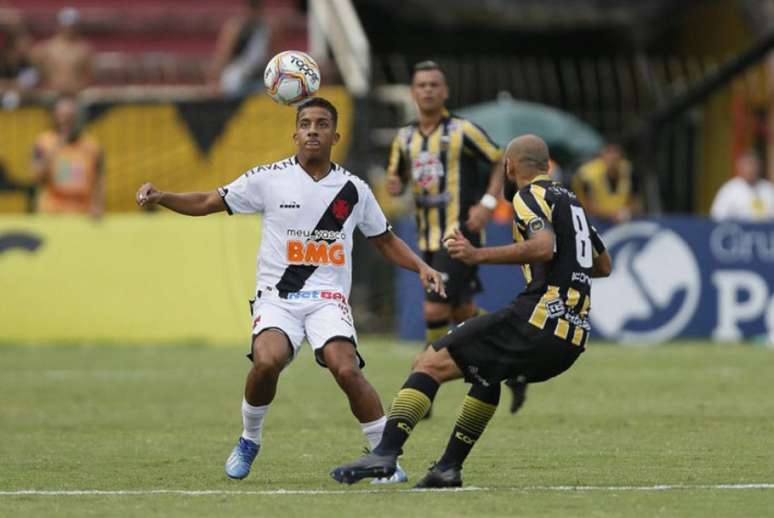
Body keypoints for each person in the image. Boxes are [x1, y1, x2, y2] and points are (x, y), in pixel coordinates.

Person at [135, 97, 445, 484]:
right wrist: (163, 196)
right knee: (267, 360)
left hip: (327, 299)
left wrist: (421, 266)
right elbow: (207, 201)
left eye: (321, 124)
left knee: (345, 367)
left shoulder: (354, 189)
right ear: (294, 133)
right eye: (305, 124)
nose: (312, 130)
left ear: (336, 134)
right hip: (278, 298)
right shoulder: (268, 178)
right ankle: (249, 439)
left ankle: (383, 456)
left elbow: (384, 240)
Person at [331, 135, 612, 488]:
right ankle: (448, 468)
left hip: (539, 318)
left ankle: (385, 453)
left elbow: (543, 247)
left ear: (509, 167)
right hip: (571, 337)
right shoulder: (572, 204)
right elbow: (603, 265)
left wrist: (479, 255)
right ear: (548, 165)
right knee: (486, 375)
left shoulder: (529, 195)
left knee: (428, 363)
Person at [386, 60, 527, 414]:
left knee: (435, 306)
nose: (428, 90)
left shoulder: (463, 130)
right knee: (463, 311)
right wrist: (395, 183)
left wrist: (489, 202)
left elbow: (502, 159)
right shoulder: (403, 137)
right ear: (413, 92)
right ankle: (515, 362)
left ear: (445, 91)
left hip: (459, 233)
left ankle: (425, 379)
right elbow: (398, 176)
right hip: (426, 238)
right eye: (422, 85)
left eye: (435, 84)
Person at [32, 95, 104, 217]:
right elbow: (36, 178)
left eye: (70, 117)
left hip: (82, 213)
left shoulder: (92, 146)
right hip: (52, 213)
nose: (66, 121)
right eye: (62, 116)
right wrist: (54, 150)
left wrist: (98, 206)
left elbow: (98, 181)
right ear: (54, 117)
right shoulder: (44, 143)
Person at [208, 0, 273, 96]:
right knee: (231, 85)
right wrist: (214, 78)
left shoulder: (266, 29)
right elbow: (224, 54)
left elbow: (272, 55)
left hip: (258, 75)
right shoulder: (235, 29)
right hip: (237, 73)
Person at [29, 7, 93, 95]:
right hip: (52, 93)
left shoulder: (84, 50)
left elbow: (88, 77)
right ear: (59, 25)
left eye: (72, 26)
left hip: (75, 94)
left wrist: (74, 88)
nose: (69, 29)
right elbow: (36, 72)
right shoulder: (46, 48)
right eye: (67, 25)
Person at [572, 142, 637, 224]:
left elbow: (635, 200)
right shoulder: (587, 175)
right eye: (609, 152)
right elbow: (586, 204)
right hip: (593, 219)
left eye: (615, 152)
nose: (612, 157)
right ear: (601, 156)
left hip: (622, 218)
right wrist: (611, 215)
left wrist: (627, 211)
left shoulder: (629, 171)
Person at [710, 151, 774, 221]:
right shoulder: (729, 189)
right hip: (738, 230)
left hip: (766, 230)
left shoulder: (768, 188)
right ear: (740, 167)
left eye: (753, 165)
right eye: (747, 165)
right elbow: (717, 215)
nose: (751, 169)